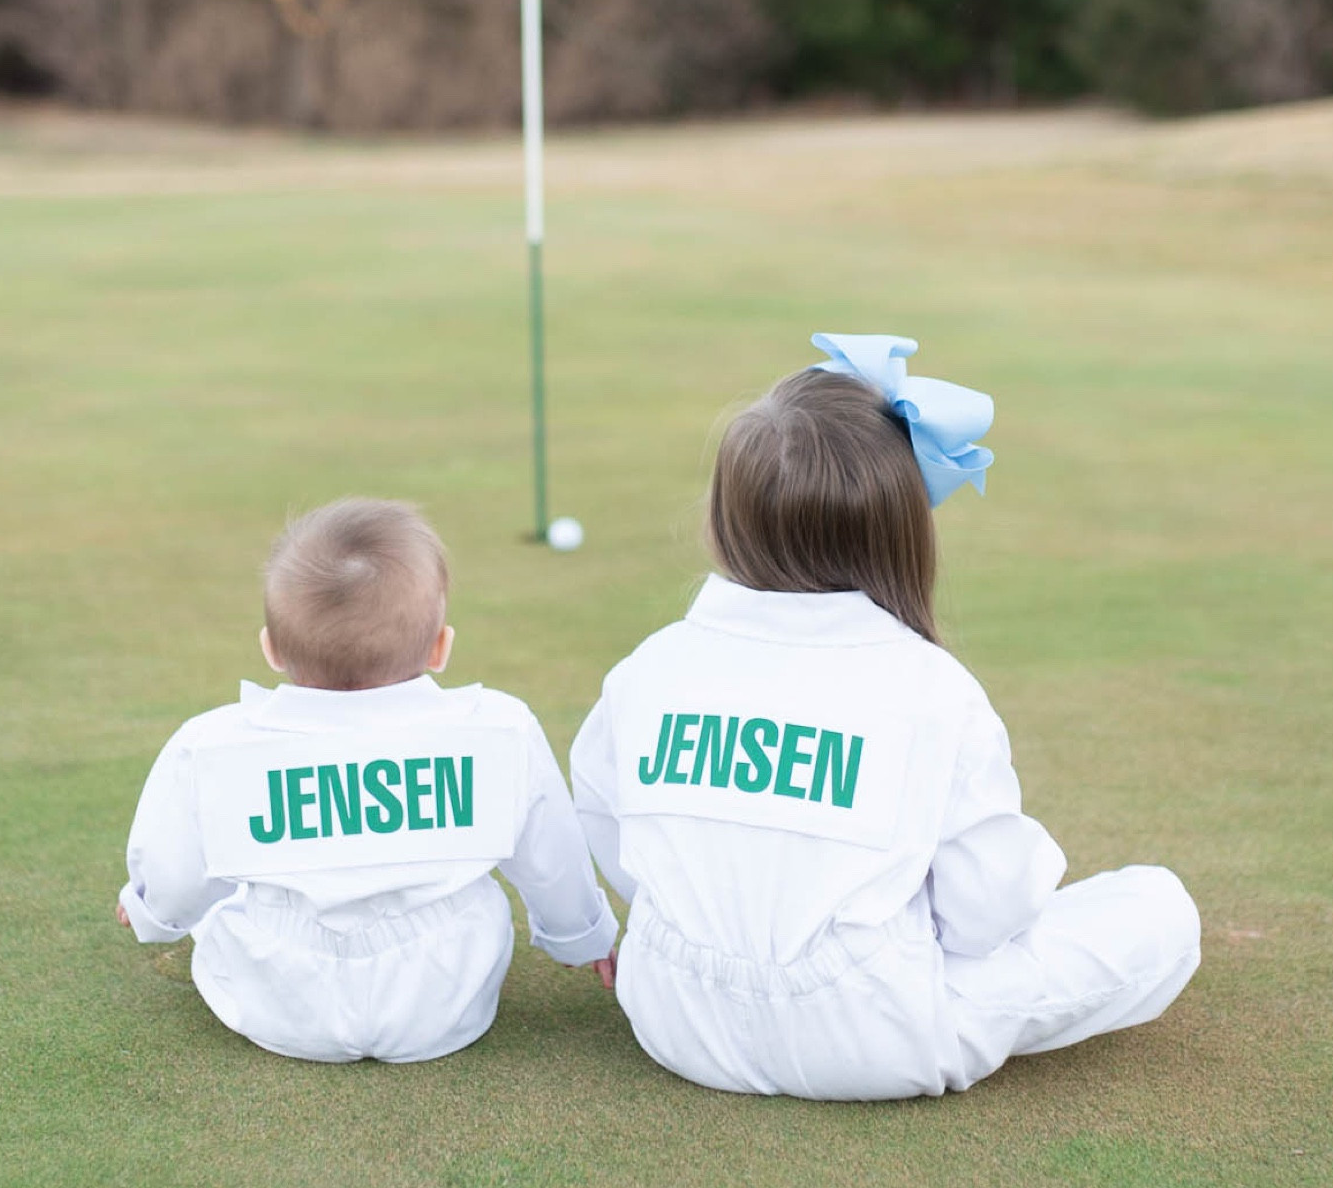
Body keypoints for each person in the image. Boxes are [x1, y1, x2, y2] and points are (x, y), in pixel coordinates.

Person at [570, 333, 1200, 1101]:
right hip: (872, 1037)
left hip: (672, 1017)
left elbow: (604, 817)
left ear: (725, 518)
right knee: (1160, 909)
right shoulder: (934, 690)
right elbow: (986, 914)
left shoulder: (649, 666)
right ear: (899, 531)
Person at [117, 497, 617, 1063]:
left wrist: (152, 913)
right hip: (442, 996)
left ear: (271, 649)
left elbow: (177, 872)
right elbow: (550, 856)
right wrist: (583, 938)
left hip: (280, 999)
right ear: (440, 648)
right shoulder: (499, 725)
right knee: (478, 896)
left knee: (221, 911)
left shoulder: (210, 742)